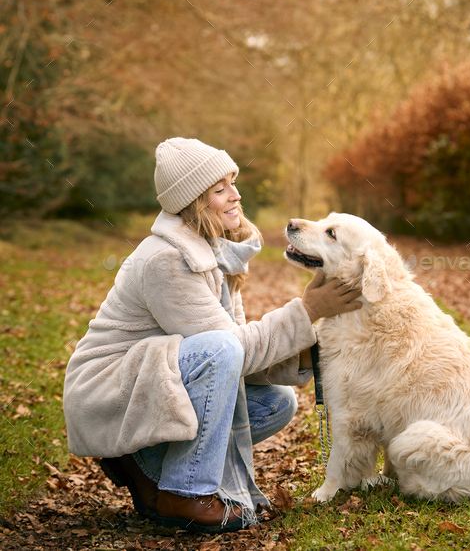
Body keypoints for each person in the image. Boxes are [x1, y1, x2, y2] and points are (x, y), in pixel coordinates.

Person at [63, 137, 361, 535]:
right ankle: (184, 491)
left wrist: (304, 353)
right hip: (110, 390)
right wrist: (308, 310)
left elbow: (236, 353)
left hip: (152, 379)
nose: (236, 195)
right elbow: (227, 349)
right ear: (193, 203)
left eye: (232, 183)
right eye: (220, 190)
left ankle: (146, 462)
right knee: (219, 349)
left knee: (277, 403)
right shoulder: (167, 259)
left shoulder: (215, 252)